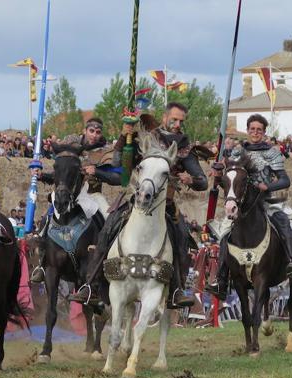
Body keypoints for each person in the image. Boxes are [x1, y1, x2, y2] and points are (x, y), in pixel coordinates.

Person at [69, 103, 208, 308]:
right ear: (164, 117)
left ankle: (177, 291)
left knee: (181, 237)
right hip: (137, 200)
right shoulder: (143, 138)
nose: (178, 124)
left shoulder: (183, 147)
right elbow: (119, 165)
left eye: (181, 121)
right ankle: (92, 285)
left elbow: (202, 181)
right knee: (108, 229)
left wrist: (191, 180)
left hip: (165, 206)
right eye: (174, 119)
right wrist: (123, 137)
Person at [206, 114, 292, 299]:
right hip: (241, 206)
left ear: (264, 132)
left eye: (259, 129)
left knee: (285, 224)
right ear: (248, 130)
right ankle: (221, 279)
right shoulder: (236, 153)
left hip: (265, 202)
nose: (255, 132)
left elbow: (285, 180)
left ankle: (291, 263)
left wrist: (268, 186)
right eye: (252, 129)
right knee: (225, 233)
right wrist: (218, 175)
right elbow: (229, 181)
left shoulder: (271, 153)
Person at [29, 117, 121, 283]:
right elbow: (61, 175)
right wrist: (43, 176)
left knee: (109, 219)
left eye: (98, 132)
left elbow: (118, 178)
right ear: (85, 130)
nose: (94, 135)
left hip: (92, 194)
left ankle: (109, 258)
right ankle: (43, 263)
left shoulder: (105, 152)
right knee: (47, 218)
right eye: (91, 131)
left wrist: (97, 172)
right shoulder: (70, 146)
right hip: (68, 194)